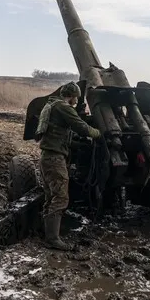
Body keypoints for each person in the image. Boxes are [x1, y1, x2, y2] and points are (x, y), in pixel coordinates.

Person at [35, 81, 101, 251]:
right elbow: (81, 127)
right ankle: (53, 239)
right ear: (71, 96)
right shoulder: (63, 107)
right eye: (76, 98)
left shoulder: (51, 105)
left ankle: (46, 232)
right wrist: (98, 133)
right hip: (54, 158)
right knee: (61, 197)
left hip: (48, 156)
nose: (76, 101)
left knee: (51, 196)